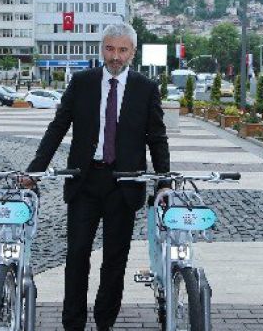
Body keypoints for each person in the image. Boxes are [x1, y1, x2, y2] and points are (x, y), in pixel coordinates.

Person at [23, 23, 170, 331]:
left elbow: (157, 137)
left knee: (114, 261)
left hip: (125, 184)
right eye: (110, 48)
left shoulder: (145, 88)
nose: (115, 56)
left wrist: (164, 182)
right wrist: (35, 169)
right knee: (77, 256)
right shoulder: (83, 82)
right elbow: (58, 127)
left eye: (122, 50)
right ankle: (73, 324)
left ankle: (105, 323)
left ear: (132, 52)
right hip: (85, 181)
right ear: (101, 48)